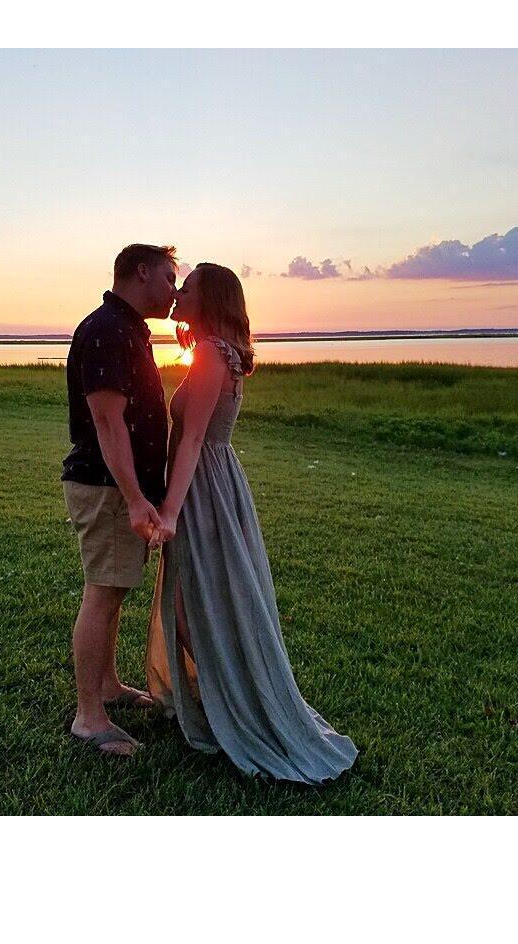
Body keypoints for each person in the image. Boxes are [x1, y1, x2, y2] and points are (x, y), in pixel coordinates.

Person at [146, 263, 357, 783]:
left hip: (202, 488)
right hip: (216, 480)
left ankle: (233, 697)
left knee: (196, 601)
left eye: (188, 286)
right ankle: (223, 690)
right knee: (198, 597)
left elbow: (192, 439)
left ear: (211, 298)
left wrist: (170, 512)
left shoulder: (213, 355)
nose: (179, 292)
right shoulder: (221, 353)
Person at [62, 244, 178, 756]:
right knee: (103, 592)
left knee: (114, 590)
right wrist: (134, 498)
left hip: (120, 489)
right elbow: (107, 421)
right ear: (142, 271)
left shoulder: (128, 328)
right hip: (108, 488)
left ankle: (108, 684)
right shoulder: (108, 329)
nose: (174, 291)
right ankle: (89, 717)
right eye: (170, 279)